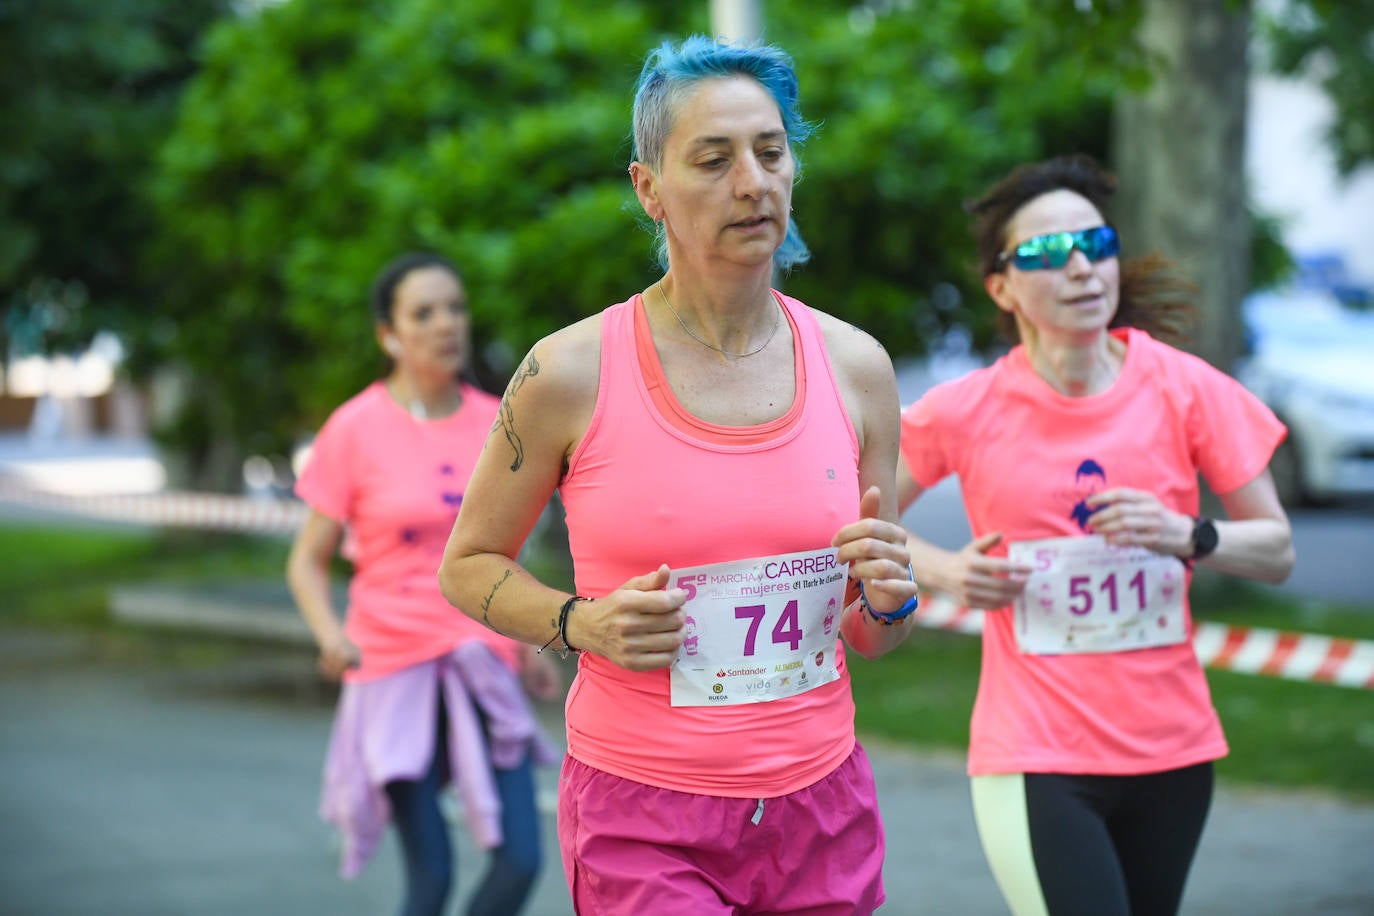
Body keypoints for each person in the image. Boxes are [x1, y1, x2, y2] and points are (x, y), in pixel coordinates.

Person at [438, 36, 921, 915]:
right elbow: (467, 566)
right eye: (714, 158)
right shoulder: (567, 372)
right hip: (642, 811)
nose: (753, 181)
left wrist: (890, 598)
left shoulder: (858, 368)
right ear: (648, 187)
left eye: (771, 153)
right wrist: (581, 623)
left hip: (821, 802)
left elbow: (870, 632)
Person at [896, 154, 1295, 916]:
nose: (1080, 267)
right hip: (1037, 752)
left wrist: (1187, 533)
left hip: (1173, 752)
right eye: (1047, 252)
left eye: (1096, 244)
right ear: (1003, 288)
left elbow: (1276, 550)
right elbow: (855, 516)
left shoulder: (1186, 387)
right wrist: (944, 571)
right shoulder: (964, 409)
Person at [286, 251, 560, 916]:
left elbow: (509, 551)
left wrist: (530, 638)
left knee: (522, 860)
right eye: (424, 313)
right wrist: (331, 635)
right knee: (430, 877)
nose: (447, 324)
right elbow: (307, 559)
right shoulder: (353, 429)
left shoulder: (502, 420)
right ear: (389, 334)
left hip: (482, 663)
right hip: (393, 667)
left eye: (456, 308)